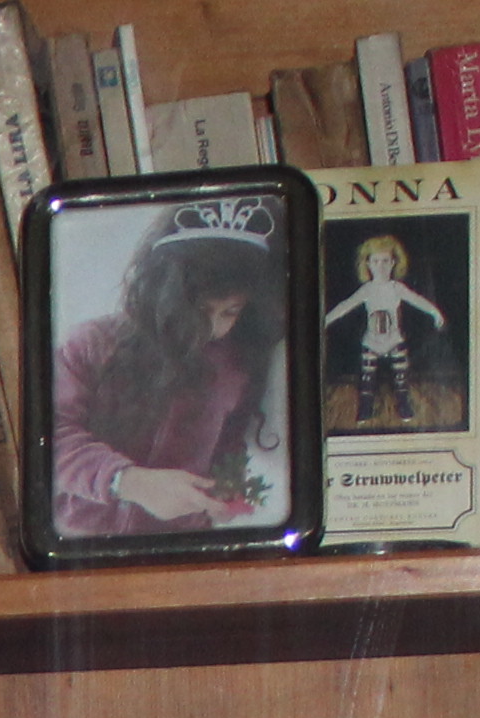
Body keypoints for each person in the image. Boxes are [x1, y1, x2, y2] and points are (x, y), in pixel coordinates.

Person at [48, 204, 288, 539]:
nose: (213, 328)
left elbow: (229, 443)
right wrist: (130, 482)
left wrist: (223, 491)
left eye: (230, 312)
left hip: (179, 544)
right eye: (200, 310)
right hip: (82, 537)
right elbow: (51, 436)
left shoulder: (237, 364)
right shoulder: (92, 343)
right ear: (165, 295)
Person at [323, 231, 446, 429]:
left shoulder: (397, 288)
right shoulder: (367, 289)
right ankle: (365, 407)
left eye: (385, 261)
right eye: (376, 261)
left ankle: (403, 404)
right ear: (368, 264)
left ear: (393, 263)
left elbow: (417, 300)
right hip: (371, 342)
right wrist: (326, 320)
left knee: (401, 375)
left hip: (394, 340)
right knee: (367, 377)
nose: (380, 266)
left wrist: (435, 312)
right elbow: (346, 305)